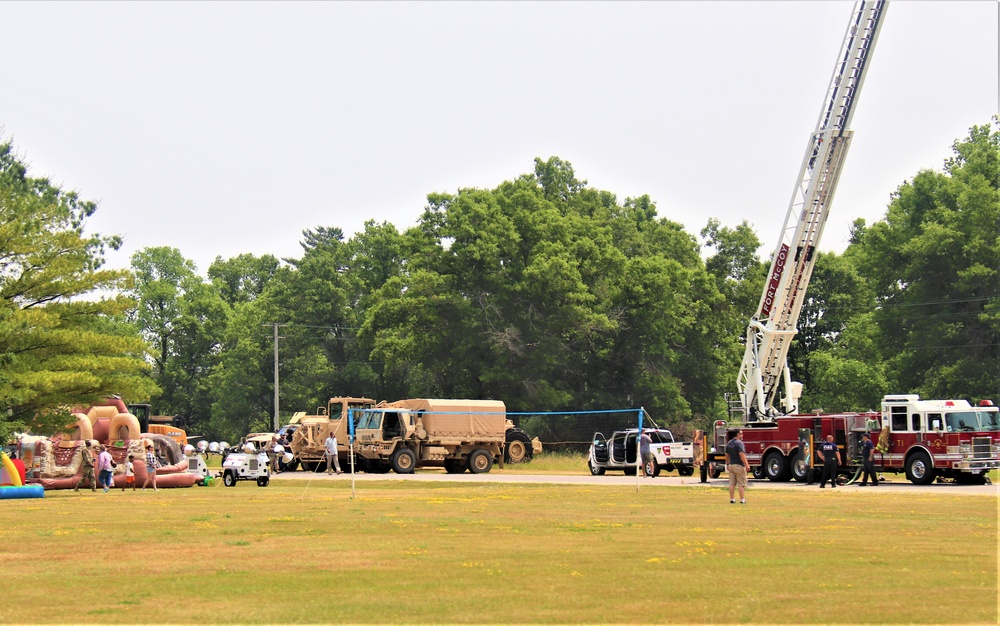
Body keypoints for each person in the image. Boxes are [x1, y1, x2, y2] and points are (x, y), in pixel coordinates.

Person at [725, 428, 750, 504]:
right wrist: (747, 465)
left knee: (732, 483)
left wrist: (727, 464)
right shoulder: (739, 443)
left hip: (731, 465)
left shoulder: (729, 443)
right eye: (741, 433)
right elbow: (741, 454)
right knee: (741, 484)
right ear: (738, 434)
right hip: (739, 465)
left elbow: (727, 454)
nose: (742, 435)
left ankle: (732, 499)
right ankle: (742, 499)